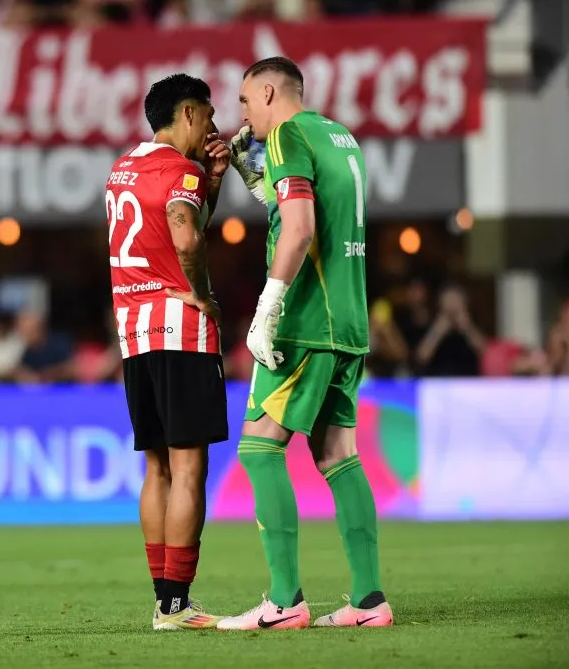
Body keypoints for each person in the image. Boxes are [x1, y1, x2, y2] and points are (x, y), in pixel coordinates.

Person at [213, 57, 392, 630]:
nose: (241, 114)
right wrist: (249, 170)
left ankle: (284, 601)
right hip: (350, 322)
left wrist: (268, 308)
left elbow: (300, 228)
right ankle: (369, 603)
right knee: (338, 454)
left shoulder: (288, 133)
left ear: (268, 91)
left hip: (307, 321)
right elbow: (296, 207)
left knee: (259, 449)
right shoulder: (337, 135)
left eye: (244, 101)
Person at [107, 73, 231, 630]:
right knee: (188, 470)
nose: (212, 125)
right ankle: (176, 606)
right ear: (186, 113)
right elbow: (185, 237)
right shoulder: (180, 171)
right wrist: (203, 296)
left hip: (133, 331)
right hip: (180, 328)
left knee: (155, 467)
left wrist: (216, 182)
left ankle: (163, 599)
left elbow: (172, 226)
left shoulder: (121, 170)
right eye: (206, 114)